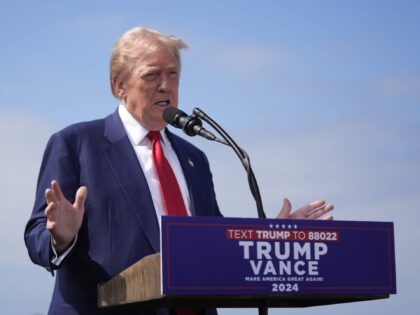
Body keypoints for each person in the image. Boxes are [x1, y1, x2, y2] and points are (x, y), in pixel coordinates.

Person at [24, 27, 333, 315]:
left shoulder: (194, 158)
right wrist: (60, 239)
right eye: (151, 75)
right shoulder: (76, 144)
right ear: (120, 85)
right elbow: (38, 234)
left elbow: (215, 242)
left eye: (173, 74)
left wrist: (266, 239)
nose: (165, 85)